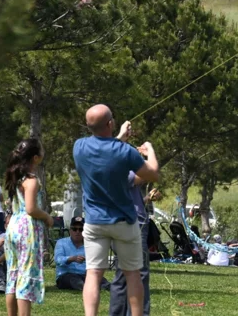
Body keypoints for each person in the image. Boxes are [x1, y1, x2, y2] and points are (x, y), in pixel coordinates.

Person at [74, 104, 159, 316]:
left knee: (93, 275)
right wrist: (150, 150)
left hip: (94, 222)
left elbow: (105, 151)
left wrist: (119, 136)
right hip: (124, 221)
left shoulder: (79, 147)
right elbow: (153, 174)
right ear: (110, 123)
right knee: (133, 275)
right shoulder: (125, 152)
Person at [4, 139, 54, 316]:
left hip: (13, 227)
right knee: (25, 277)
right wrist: (47, 216)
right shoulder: (31, 180)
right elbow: (31, 208)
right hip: (27, 230)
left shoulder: (17, 177)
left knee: (13, 275)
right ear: (36, 157)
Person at [109, 169, 156, 316]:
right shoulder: (122, 167)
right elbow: (150, 172)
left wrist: (146, 198)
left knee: (122, 276)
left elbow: (129, 198)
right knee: (139, 275)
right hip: (132, 226)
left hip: (124, 223)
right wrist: (149, 152)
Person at [57, 217, 110, 292]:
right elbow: (58, 260)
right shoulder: (61, 243)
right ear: (70, 231)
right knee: (73, 279)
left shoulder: (90, 245)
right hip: (66, 275)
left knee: (99, 279)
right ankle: (88, 287)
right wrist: (72, 259)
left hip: (85, 274)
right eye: (74, 229)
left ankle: (108, 287)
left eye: (81, 229)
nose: (77, 232)